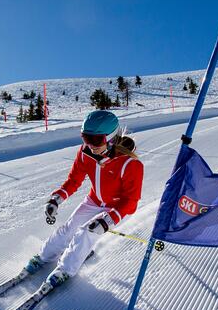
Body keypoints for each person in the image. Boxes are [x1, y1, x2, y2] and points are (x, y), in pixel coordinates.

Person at [28, 110, 144, 288]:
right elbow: (74, 180)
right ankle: (43, 257)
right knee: (69, 228)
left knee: (86, 232)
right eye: (85, 138)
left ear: (111, 138)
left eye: (96, 140)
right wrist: (56, 199)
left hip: (115, 208)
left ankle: (64, 270)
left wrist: (107, 221)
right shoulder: (85, 153)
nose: (90, 145)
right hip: (94, 200)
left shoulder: (130, 164)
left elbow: (131, 201)